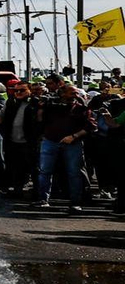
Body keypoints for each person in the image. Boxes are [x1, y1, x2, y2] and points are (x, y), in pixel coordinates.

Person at [35, 83, 96, 212]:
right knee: (45, 171)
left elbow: (91, 126)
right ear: (62, 94)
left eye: (76, 93)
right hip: (50, 141)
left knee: (74, 173)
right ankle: (42, 199)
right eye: (72, 93)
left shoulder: (81, 108)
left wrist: (74, 136)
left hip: (72, 144)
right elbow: (40, 121)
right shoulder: (51, 107)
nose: (75, 95)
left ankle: (75, 203)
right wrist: (41, 107)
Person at [0, 81, 43, 199]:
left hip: (30, 141)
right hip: (13, 141)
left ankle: (38, 193)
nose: (18, 93)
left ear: (29, 91)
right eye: (15, 90)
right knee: (16, 167)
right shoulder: (11, 101)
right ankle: (17, 190)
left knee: (34, 168)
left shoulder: (36, 103)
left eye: (22, 90)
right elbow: (0, 115)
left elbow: (41, 121)